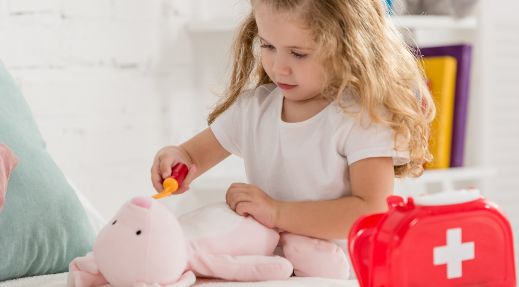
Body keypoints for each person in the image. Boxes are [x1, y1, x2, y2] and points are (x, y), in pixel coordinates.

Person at [151, 0, 433, 255]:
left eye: (298, 54)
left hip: (344, 276)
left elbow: (373, 209)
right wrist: (177, 160)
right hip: (277, 271)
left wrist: (277, 213)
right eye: (268, 46)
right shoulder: (255, 110)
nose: (279, 68)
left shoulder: (362, 118)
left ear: (349, 48)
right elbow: (193, 156)